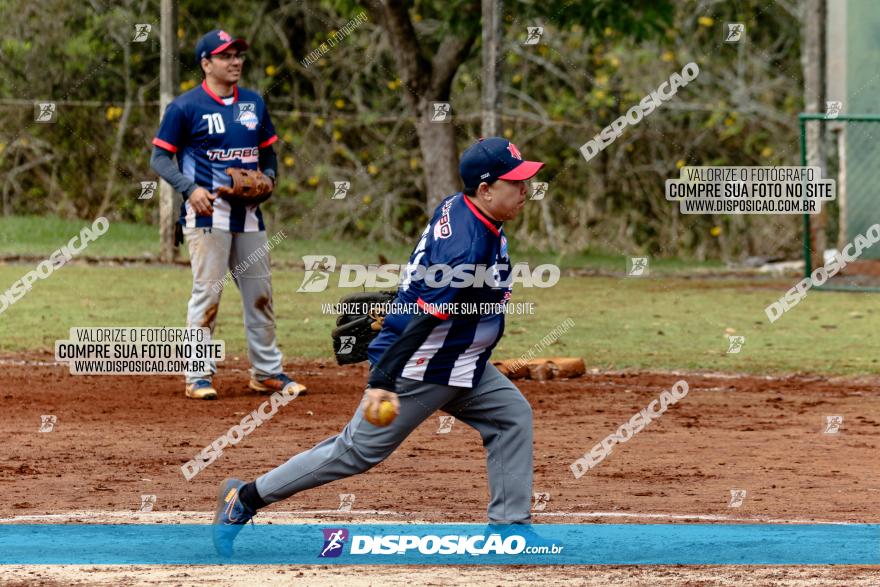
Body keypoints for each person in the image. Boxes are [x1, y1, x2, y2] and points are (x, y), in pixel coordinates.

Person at [212, 137, 544, 556]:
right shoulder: (467, 246)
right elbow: (427, 316)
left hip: (461, 359)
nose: (525, 190)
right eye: (515, 182)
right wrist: (382, 378)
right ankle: (243, 498)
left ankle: (509, 532)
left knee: (511, 416)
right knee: (355, 452)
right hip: (424, 364)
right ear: (485, 190)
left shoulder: (468, 211)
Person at [150, 29, 305, 400]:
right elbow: (159, 158)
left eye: (238, 55)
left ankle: (266, 373)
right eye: (225, 56)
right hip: (207, 218)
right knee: (208, 295)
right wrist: (189, 190)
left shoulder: (253, 103)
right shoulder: (185, 107)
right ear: (206, 64)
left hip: (249, 216)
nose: (235, 61)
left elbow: (268, 152)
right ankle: (197, 376)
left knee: (260, 294)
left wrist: (269, 176)